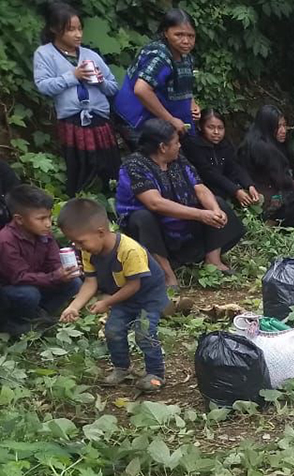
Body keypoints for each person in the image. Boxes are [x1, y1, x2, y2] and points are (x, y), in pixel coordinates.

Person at [116, 119, 245, 290]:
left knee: (218, 203)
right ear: (163, 147)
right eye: (176, 142)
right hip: (154, 232)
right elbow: (155, 203)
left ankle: (213, 261)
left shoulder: (178, 160)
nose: (179, 146)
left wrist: (214, 210)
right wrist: (200, 215)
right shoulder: (134, 166)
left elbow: (199, 188)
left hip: (183, 225)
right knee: (142, 218)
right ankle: (166, 274)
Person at [59, 197, 169, 393]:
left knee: (144, 333)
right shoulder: (88, 251)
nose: (77, 246)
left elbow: (134, 286)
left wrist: (107, 302)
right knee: (113, 330)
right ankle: (122, 368)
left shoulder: (129, 250)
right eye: (74, 242)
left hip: (147, 297)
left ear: (101, 232)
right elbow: (90, 282)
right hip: (122, 297)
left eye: (80, 241)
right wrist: (74, 306)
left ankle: (156, 374)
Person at [32, 2, 121, 196]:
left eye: (80, 29)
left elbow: (113, 87)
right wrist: (72, 76)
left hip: (99, 119)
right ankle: (79, 204)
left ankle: (112, 202)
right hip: (72, 120)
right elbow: (44, 86)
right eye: (71, 29)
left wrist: (100, 81)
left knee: (108, 166)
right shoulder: (45, 54)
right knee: (80, 168)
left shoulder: (91, 55)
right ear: (54, 29)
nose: (78, 34)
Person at [0, 185, 82, 335]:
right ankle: (16, 321)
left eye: (49, 217)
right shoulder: (6, 240)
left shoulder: (44, 234)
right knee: (29, 294)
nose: (48, 223)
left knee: (74, 282)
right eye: (41, 218)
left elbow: (53, 261)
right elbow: (19, 277)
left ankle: (42, 314)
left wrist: (65, 270)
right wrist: (55, 276)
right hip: (13, 289)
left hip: (40, 282)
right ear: (19, 219)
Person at [114, 8, 199, 141]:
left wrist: (192, 104)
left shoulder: (185, 56)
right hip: (139, 120)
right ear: (166, 32)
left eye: (191, 36)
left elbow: (184, 84)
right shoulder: (159, 56)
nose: (186, 41)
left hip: (165, 120)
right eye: (179, 35)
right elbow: (141, 90)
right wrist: (170, 120)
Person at [239, 105, 294, 230]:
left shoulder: (262, 139)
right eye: (278, 126)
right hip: (262, 197)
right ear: (268, 127)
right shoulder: (263, 148)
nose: (283, 130)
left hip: (268, 186)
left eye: (284, 125)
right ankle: (279, 225)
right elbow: (283, 182)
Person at [182, 109, 259, 207]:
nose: (216, 132)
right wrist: (235, 190)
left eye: (220, 128)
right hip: (204, 194)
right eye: (211, 127)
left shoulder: (225, 144)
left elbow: (234, 166)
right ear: (200, 127)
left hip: (224, 190)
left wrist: (249, 185)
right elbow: (209, 173)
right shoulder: (194, 146)